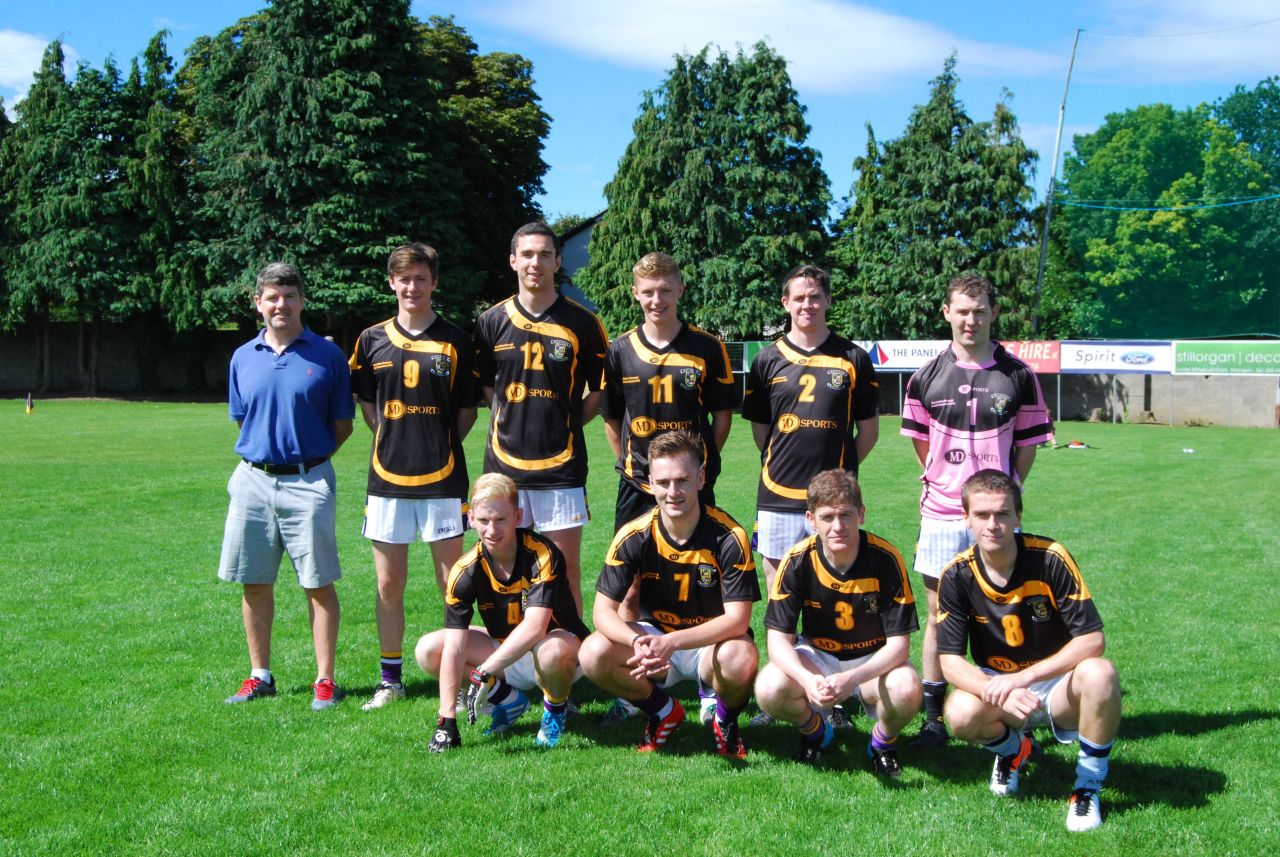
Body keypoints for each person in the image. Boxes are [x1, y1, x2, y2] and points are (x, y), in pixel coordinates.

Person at [900, 273, 1054, 750]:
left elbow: (1027, 448)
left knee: (1010, 608)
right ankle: (932, 718)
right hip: (943, 513)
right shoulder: (924, 376)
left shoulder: (1019, 376)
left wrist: (1004, 495)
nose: (971, 319)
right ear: (946, 313)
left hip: (998, 515)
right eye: (962, 311)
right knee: (938, 616)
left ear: (993, 313)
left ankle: (1020, 705)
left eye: (980, 310)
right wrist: (954, 490)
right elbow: (923, 448)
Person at [599, 251, 740, 727]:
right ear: (635, 294)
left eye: (665, 289)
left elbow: (722, 416)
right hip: (638, 485)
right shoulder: (618, 349)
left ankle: (706, 678)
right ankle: (639, 678)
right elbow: (610, 418)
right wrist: (630, 466)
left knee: (704, 576)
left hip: (690, 483)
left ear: (680, 290)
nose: (657, 299)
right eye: (648, 291)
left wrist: (701, 465)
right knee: (630, 586)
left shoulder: (707, 346)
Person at [938, 470, 1119, 832]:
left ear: (1018, 516)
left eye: (1002, 514)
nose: (993, 525)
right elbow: (950, 661)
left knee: (1101, 674)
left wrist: (1026, 677)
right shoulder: (956, 575)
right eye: (982, 515)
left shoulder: (1050, 558)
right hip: (1002, 687)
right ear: (966, 518)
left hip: (1056, 684)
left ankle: (1086, 788)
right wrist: (997, 689)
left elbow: (1092, 640)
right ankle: (1012, 752)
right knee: (958, 711)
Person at [741, 264, 879, 727]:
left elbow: (869, 432)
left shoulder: (854, 358)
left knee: (829, 589)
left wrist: (838, 479)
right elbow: (763, 432)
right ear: (785, 303)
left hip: (833, 504)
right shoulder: (766, 359)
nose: (807, 305)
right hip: (778, 496)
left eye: (815, 297)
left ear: (828, 301)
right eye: (798, 298)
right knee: (783, 595)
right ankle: (788, 689)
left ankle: (833, 697)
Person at [349, 243, 480, 711]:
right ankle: (391, 679)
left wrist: (437, 440)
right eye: (403, 279)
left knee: (453, 583)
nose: (412, 287)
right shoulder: (370, 339)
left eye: (420, 279)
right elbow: (367, 402)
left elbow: (466, 410)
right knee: (388, 584)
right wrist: (390, 436)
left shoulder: (456, 340)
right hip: (387, 480)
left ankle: (462, 678)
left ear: (433, 283)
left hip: (443, 479)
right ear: (391, 282)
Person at [218, 263, 354, 711]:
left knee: (317, 583)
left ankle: (325, 680)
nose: (281, 304)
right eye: (272, 297)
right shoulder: (243, 356)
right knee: (254, 582)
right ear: (257, 303)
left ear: (302, 300)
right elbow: (243, 417)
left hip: (308, 481)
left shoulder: (327, 356)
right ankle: (260, 675)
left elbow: (342, 425)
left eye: (289, 296)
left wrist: (307, 462)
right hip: (252, 480)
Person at [578, 430, 760, 757]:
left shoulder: (729, 536)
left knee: (741, 657)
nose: (672, 492)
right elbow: (602, 612)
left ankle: (726, 720)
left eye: (682, 480)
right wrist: (638, 641)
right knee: (592, 653)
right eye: (663, 483)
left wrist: (672, 642)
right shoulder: (633, 535)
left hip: (709, 646)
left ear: (701, 478)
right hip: (654, 641)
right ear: (649, 483)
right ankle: (663, 711)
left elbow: (738, 620)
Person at [473, 222, 608, 611]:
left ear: (558, 262)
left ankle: (566, 663)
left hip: (560, 469)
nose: (536, 263)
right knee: (503, 570)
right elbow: (488, 390)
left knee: (563, 571)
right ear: (513, 260)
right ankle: (509, 660)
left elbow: (595, 394)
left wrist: (560, 422)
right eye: (528, 255)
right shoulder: (490, 321)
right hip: (503, 468)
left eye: (544, 255)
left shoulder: (584, 323)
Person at [754, 470, 921, 776]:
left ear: (862, 514)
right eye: (827, 517)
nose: (838, 526)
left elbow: (900, 646)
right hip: (820, 657)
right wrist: (806, 680)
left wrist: (852, 679)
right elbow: (777, 640)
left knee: (907, 687)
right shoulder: (796, 560)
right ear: (810, 519)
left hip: (872, 661)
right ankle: (815, 731)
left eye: (846, 515)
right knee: (768, 688)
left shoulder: (885, 558)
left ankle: (883, 743)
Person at [414, 474, 589, 751]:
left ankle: (556, 708)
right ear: (471, 518)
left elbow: (535, 628)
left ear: (518, 516)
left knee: (550, 650)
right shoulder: (465, 569)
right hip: (505, 651)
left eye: (501, 520)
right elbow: (454, 649)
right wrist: (446, 720)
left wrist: (484, 672)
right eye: (483, 521)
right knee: (429, 649)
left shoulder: (543, 553)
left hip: (554, 648)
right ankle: (509, 700)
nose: (492, 529)